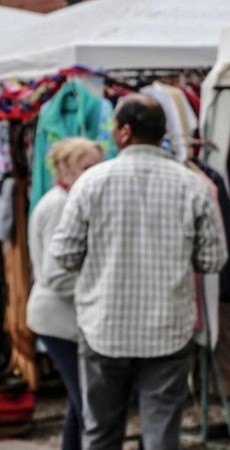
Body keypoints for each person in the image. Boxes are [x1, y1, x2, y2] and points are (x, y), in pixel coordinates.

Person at [49, 94, 228, 450]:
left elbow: (64, 255)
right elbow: (213, 260)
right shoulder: (191, 185)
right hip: (168, 328)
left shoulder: (90, 183)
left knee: (100, 433)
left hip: (104, 328)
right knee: (162, 436)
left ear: (125, 132)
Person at [26, 137, 103, 450]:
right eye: (87, 166)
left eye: (99, 164)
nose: (95, 172)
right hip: (58, 319)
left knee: (79, 401)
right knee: (87, 402)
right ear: (66, 168)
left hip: (61, 318)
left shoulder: (68, 199)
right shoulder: (60, 204)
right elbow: (56, 275)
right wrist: (101, 293)